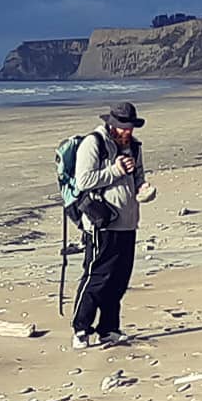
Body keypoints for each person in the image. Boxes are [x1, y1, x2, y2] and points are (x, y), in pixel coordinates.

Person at [70, 100, 153, 348]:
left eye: (130, 127)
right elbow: (83, 181)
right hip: (101, 223)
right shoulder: (92, 143)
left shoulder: (135, 147)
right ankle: (80, 329)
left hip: (128, 222)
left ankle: (109, 329)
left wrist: (144, 188)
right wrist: (115, 171)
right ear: (111, 124)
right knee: (97, 276)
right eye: (123, 127)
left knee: (119, 280)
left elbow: (138, 177)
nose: (128, 132)